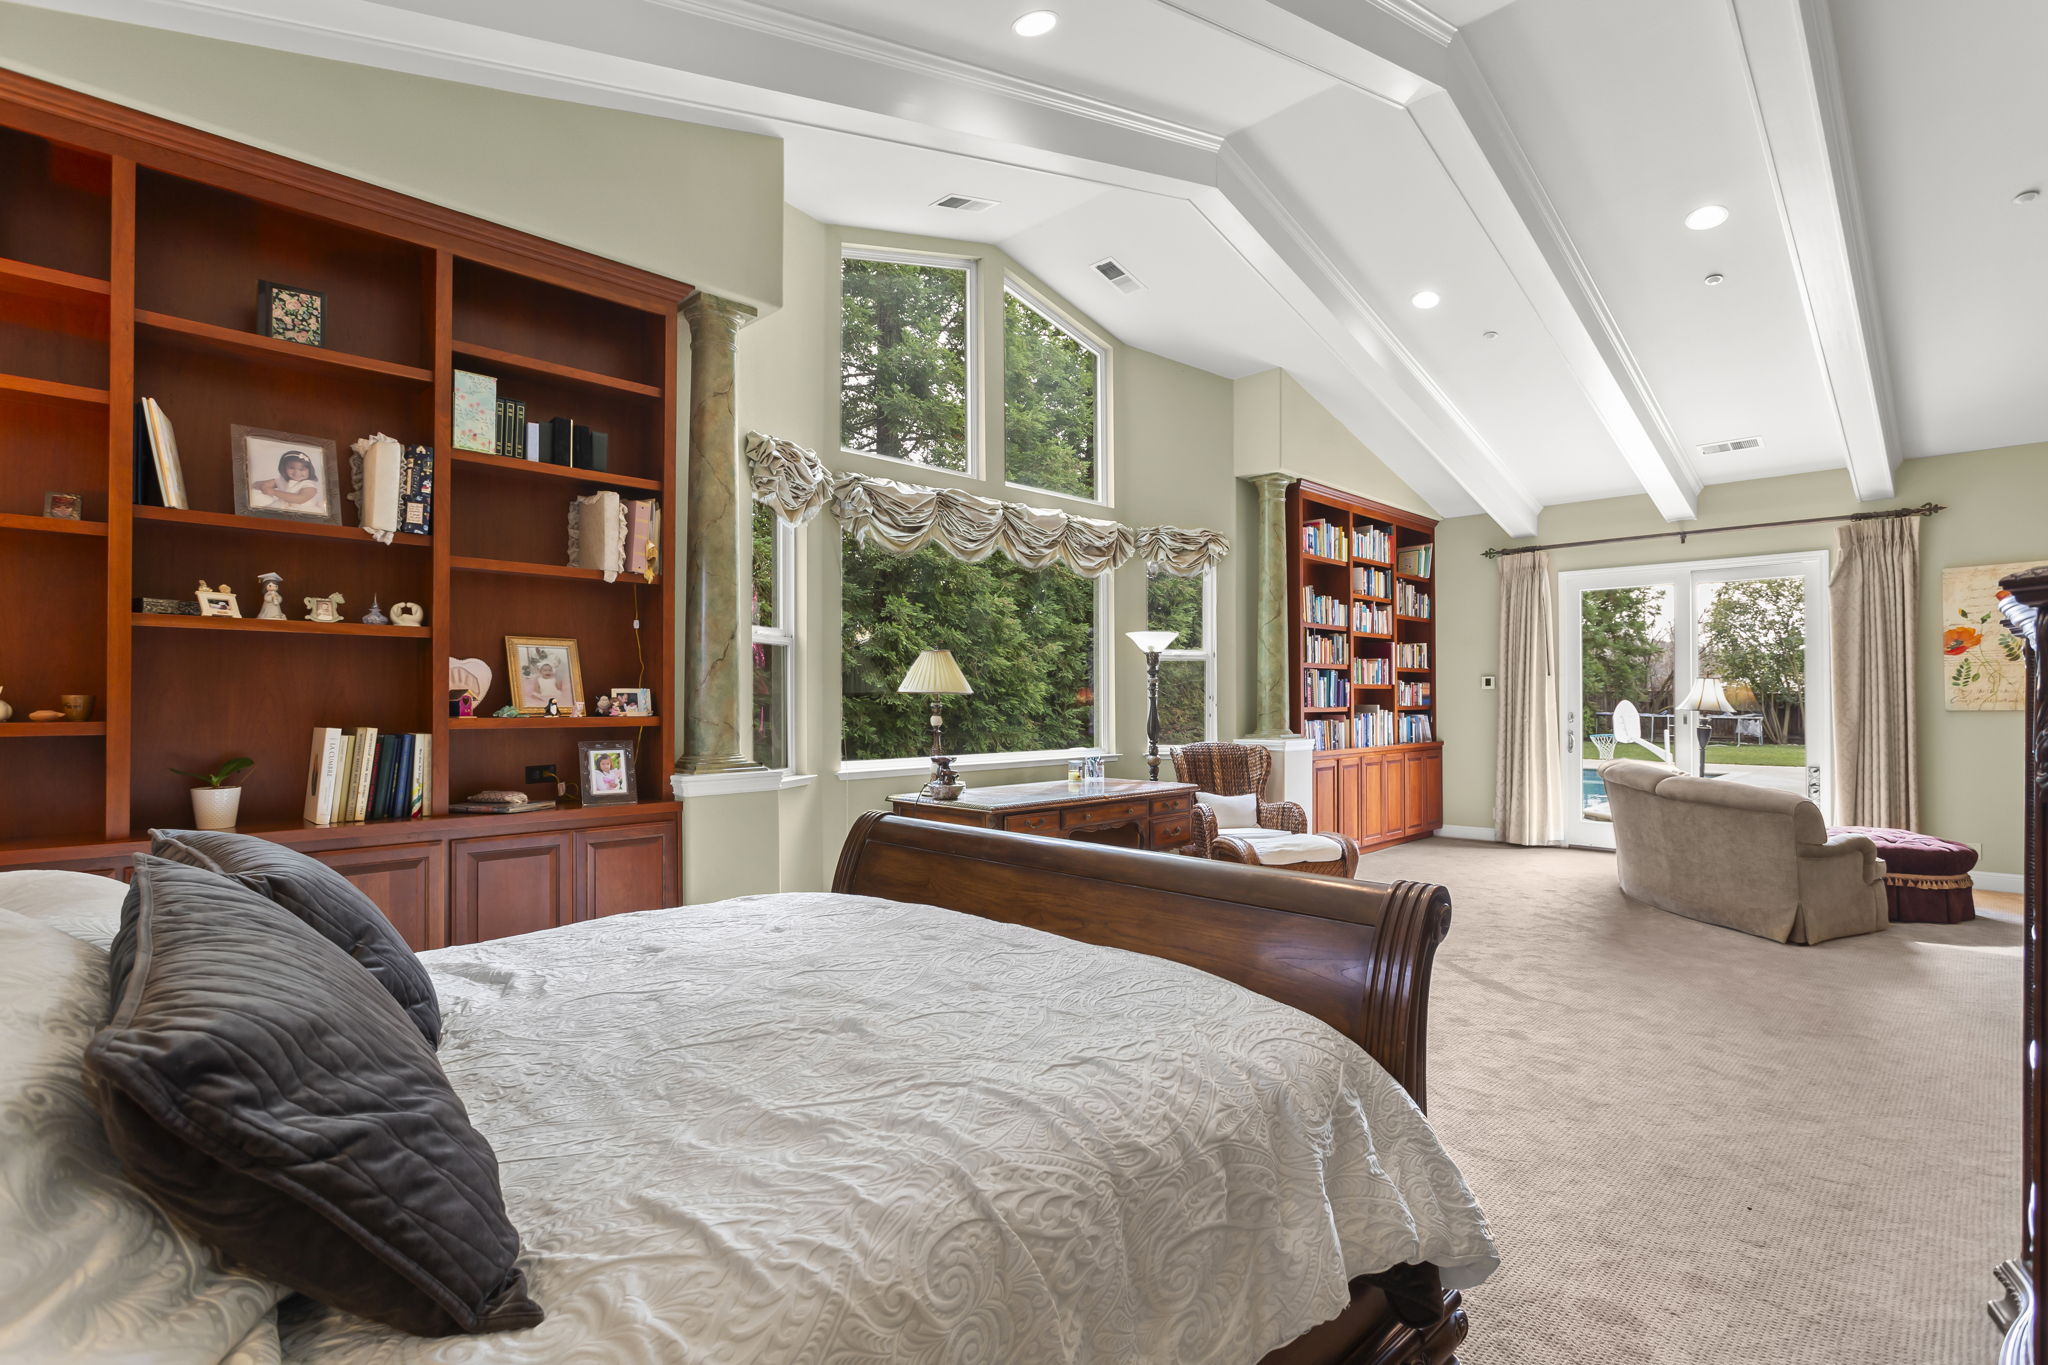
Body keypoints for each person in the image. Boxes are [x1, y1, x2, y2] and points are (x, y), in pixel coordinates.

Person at [250, 451, 324, 512]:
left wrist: (274, 492)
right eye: (291, 468)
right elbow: (256, 484)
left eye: (302, 469)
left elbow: (300, 499)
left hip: (303, 510)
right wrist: (263, 486)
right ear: (284, 468)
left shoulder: (309, 485)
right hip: (281, 508)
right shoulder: (282, 480)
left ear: (309, 470)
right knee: (255, 495)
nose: (296, 473)